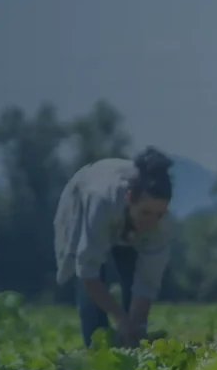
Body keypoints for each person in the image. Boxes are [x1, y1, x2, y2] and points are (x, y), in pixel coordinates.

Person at [54, 148, 175, 347]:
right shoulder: (101, 201)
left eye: (159, 214)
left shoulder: (162, 225)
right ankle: (97, 351)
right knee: (91, 300)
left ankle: (131, 350)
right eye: (146, 213)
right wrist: (120, 318)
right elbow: (88, 272)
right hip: (84, 202)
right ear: (129, 197)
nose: (152, 221)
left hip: (125, 223)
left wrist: (136, 325)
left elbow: (147, 283)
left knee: (132, 282)